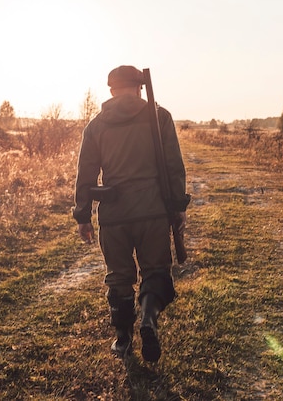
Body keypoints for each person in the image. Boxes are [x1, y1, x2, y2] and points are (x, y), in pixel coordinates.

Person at [72, 65, 190, 362]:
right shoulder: (159, 117)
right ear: (139, 87)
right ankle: (148, 320)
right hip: (153, 213)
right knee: (155, 272)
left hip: (113, 217)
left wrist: (83, 215)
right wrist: (177, 207)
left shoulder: (96, 126)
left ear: (111, 90)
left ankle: (123, 340)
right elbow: (174, 166)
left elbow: (85, 175)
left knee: (119, 278)